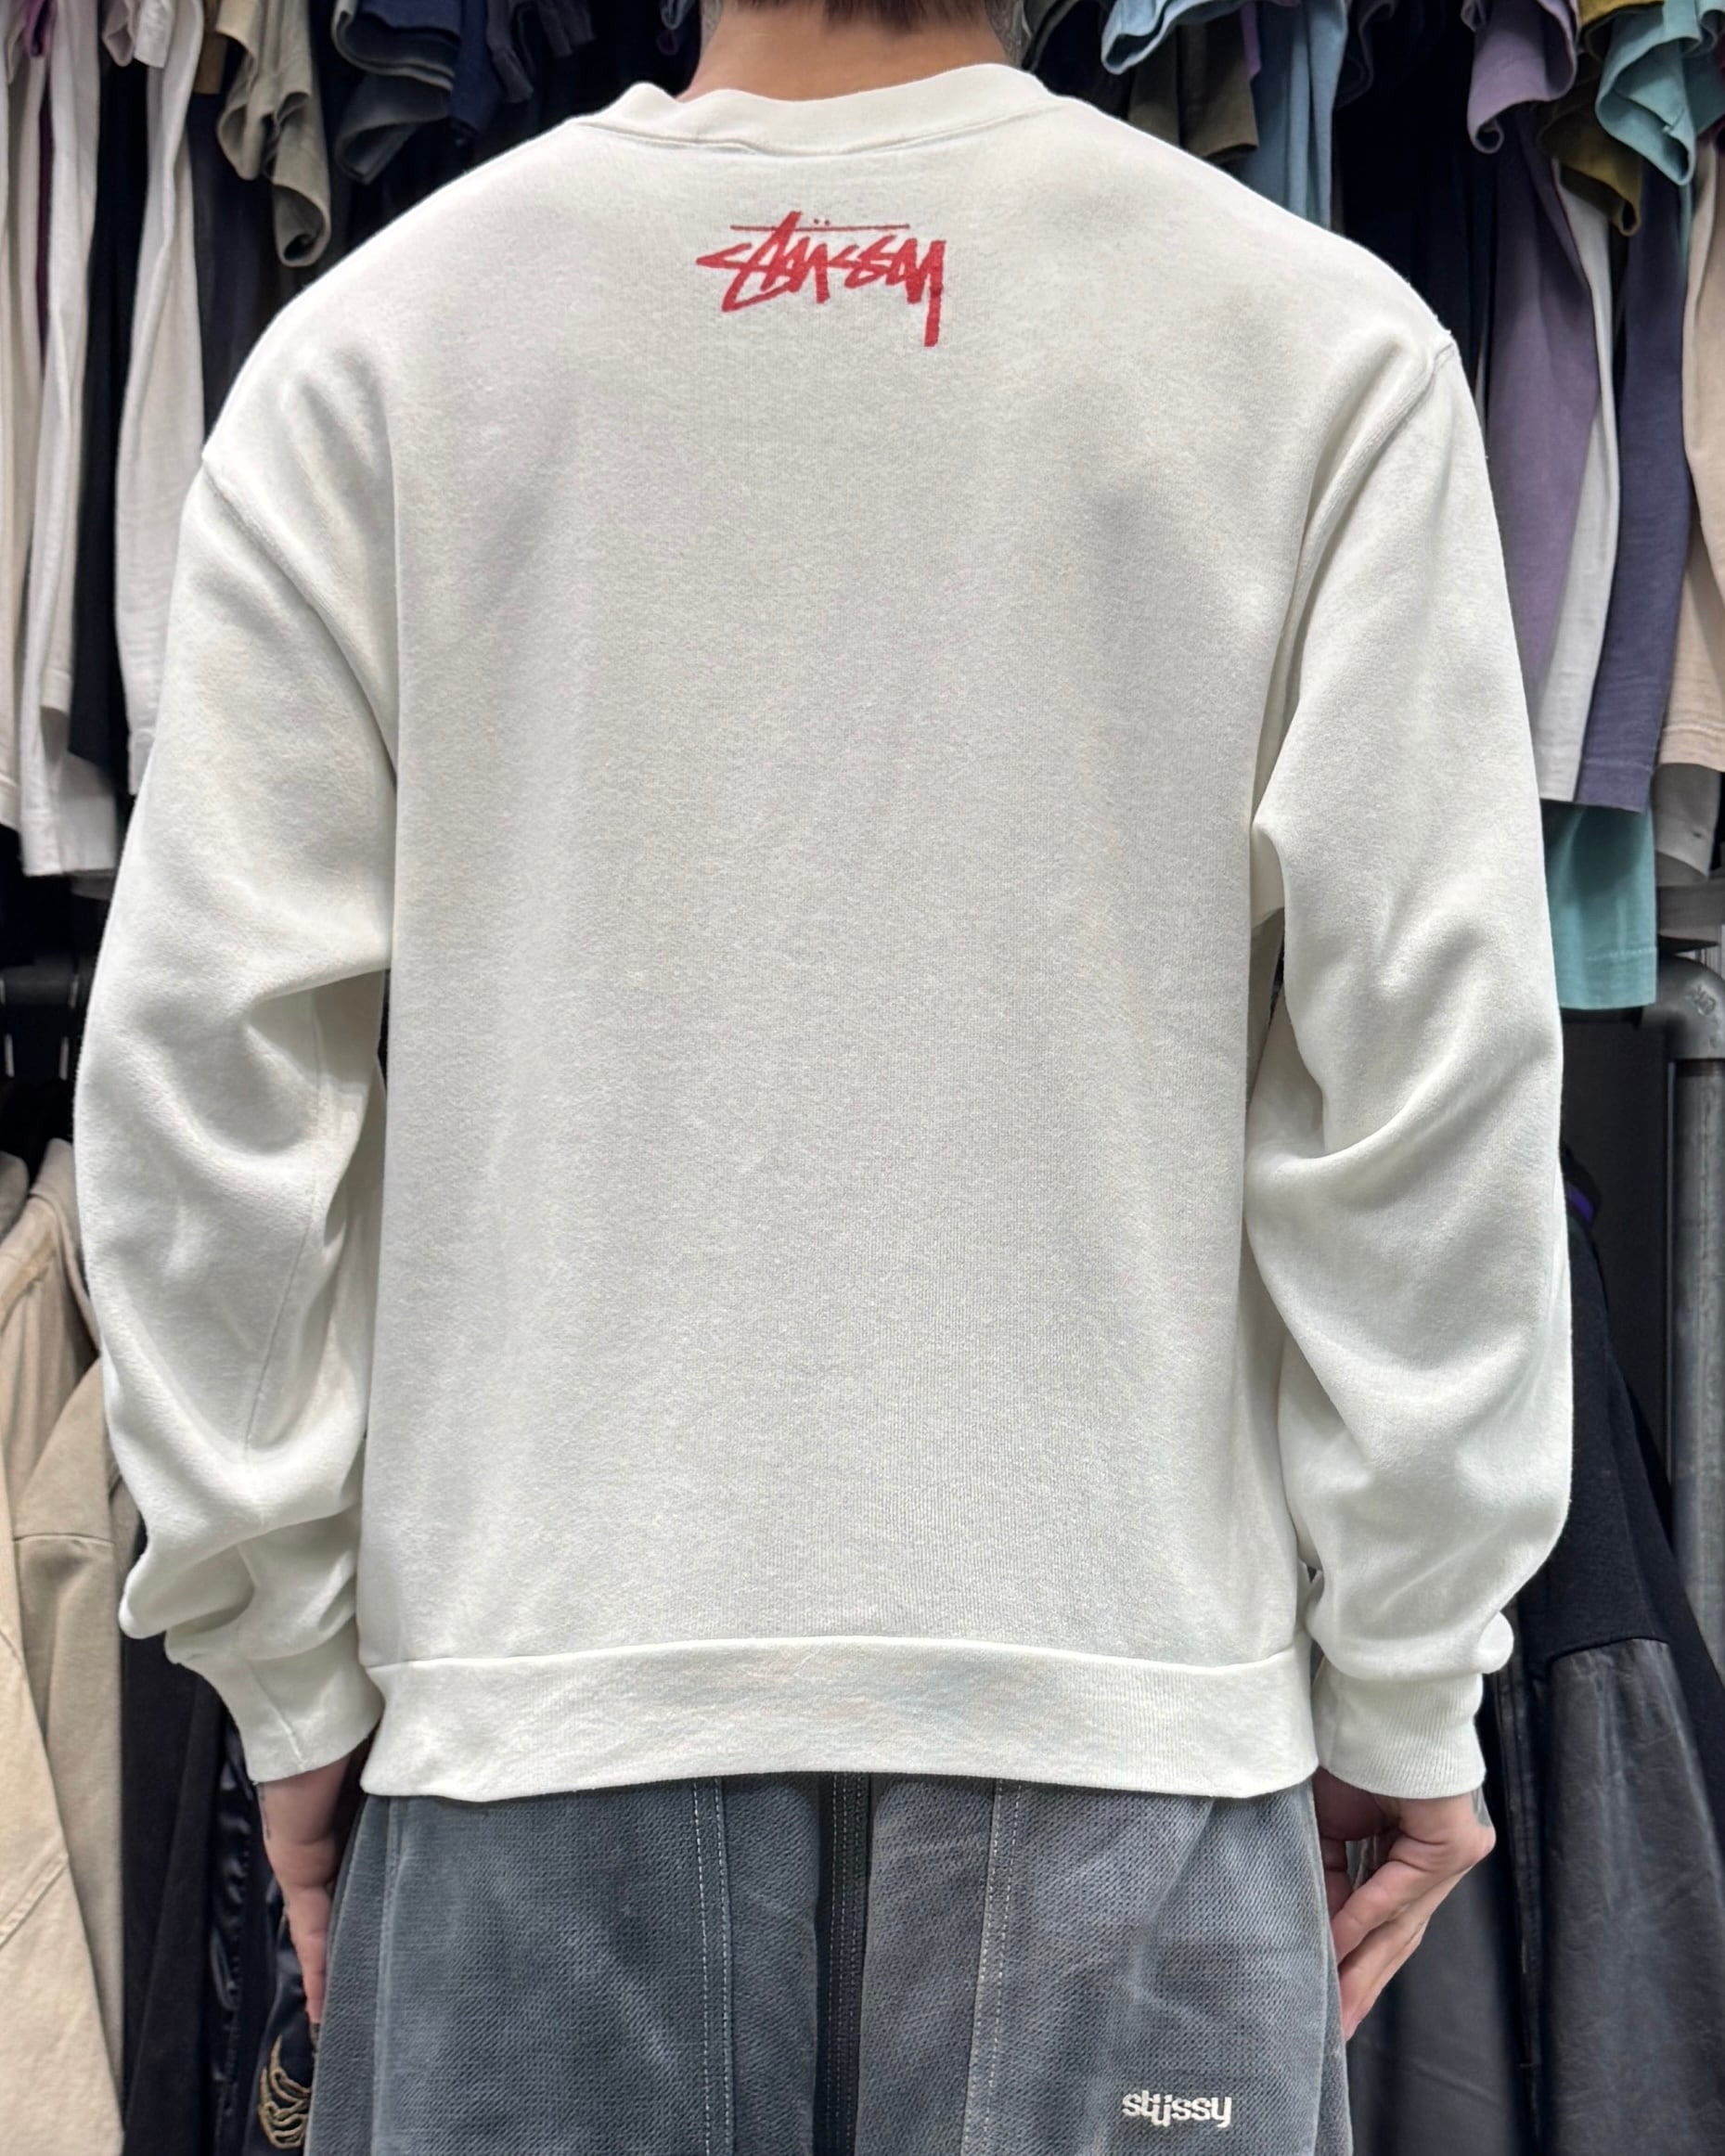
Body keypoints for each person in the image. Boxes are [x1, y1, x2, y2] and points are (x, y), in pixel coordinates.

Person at [72, 0, 1574, 2148]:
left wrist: (287, 1664)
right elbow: (1427, 1096)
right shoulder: (1315, 351)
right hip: (1123, 1730)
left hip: (540, 1730)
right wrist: (1413, 1671)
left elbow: (200, 1093)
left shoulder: (385, 351)